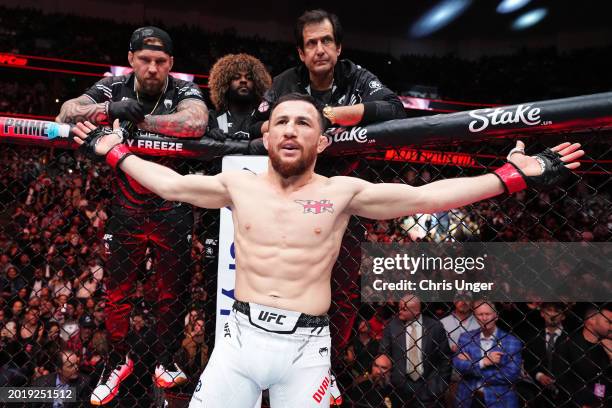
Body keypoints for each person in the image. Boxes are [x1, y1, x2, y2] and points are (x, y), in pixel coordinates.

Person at [71, 92, 583, 407]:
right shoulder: (239, 186)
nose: (292, 129)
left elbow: (428, 195)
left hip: (306, 351)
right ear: (267, 135)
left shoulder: (342, 192)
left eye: (305, 123)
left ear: (321, 142)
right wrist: (112, 151)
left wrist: (511, 176)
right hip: (238, 342)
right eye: (283, 122)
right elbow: (169, 184)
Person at [55, 26, 208, 405]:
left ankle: (166, 357)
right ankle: (115, 361)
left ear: (171, 64)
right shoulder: (113, 86)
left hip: (171, 205)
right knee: (117, 295)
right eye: (145, 60)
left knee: (172, 294)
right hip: (126, 208)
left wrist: (138, 121)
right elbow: (66, 111)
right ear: (131, 60)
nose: (152, 68)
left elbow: (196, 122)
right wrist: (109, 110)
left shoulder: (183, 90)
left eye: (160, 61)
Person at [250, 9, 406, 138]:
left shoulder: (356, 77)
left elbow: (395, 108)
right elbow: (253, 127)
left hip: (346, 171)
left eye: (326, 41)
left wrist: (331, 115)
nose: (320, 50)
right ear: (301, 54)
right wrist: (293, 123)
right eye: (311, 43)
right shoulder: (283, 82)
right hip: (295, 170)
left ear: (338, 48)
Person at [380, 294, 451, 407]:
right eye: (399, 308)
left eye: (404, 309)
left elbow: (445, 359)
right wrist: (390, 382)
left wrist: (438, 387)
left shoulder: (435, 326)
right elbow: (383, 353)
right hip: (399, 387)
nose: (400, 312)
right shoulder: (392, 326)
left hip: (428, 384)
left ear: (416, 312)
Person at [453, 300, 523, 408]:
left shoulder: (512, 341)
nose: (484, 318)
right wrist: (484, 362)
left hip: (500, 400)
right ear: (475, 317)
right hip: (468, 399)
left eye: (488, 314)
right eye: (480, 314)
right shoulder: (465, 337)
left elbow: (511, 375)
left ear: (496, 316)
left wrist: (471, 367)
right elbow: (458, 365)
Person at [206, 53, 272, 142]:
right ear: (225, 84)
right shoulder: (212, 118)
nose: (243, 80)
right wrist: (208, 134)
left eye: (249, 78)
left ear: (257, 85)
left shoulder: (266, 119)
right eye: (236, 77)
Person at [554, 306, 611, 408]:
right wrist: (580, 404)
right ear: (591, 320)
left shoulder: (608, 346)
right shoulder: (568, 343)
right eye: (609, 322)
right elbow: (561, 378)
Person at [523, 302, 568, 407]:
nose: (552, 314)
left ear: (563, 316)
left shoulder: (571, 337)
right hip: (538, 392)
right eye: (549, 310)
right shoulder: (532, 336)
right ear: (542, 313)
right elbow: (528, 361)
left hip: (566, 391)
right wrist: (539, 375)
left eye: (557, 311)